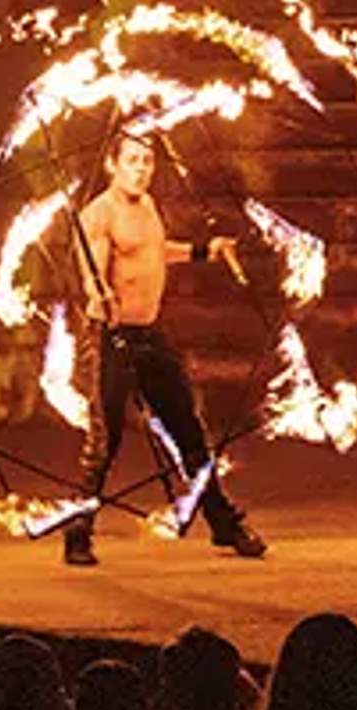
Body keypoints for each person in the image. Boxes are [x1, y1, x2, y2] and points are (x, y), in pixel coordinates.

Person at [65, 130, 266, 568]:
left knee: (189, 431)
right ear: (112, 165)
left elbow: (154, 253)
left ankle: (222, 523)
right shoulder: (98, 216)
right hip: (110, 341)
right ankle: (77, 532)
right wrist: (101, 296)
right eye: (133, 160)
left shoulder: (149, 207)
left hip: (149, 336)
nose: (142, 169)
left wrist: (202, 251)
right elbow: (92, 276)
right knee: (105, 441)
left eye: (148, 161)